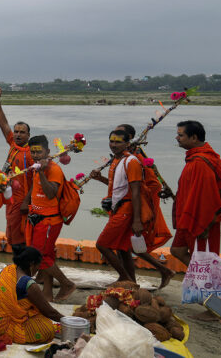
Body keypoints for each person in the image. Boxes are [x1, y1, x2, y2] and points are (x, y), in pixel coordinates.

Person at [116, 123, 175, 288]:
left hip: (134, 207)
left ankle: (131, 280)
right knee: (124, 246)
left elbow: (153, 184)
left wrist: (140, 208)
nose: (114, 140)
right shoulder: (123, 156)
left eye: (119, 136)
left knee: (124, 245)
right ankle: (131, 280)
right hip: (123, 205)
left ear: (128, 139)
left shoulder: (136, 158)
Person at [90, 129, 149, 284]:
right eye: (112, 141)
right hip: (118, 208)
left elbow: (135, 191)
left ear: (127, 144)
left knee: (102, 245)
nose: (114, 145)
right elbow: (117, 186)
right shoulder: (117, 160)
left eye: (118, 142)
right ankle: (132, 281)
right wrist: (100, 178)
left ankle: (124, 277)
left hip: (126, 210)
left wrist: (137, 220)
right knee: (122, 249)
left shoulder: (132, 162)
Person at [171, 120, 221, 265]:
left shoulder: (200, 162)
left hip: (201, 220)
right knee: (177, 250)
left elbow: (207, 198)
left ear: (194, 138)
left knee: (205, 259)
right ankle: (201, 277)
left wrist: (204, 224)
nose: (177, 138)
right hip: (188, 217)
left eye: (181, 135)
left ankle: (215, 281)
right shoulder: (194, 159)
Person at [22, 135, 76, 302]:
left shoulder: (54, 170)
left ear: (48, 152)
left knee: (41, 257)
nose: (36, 155)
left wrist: (40, 172)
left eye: (39, 152)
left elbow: (51, 193)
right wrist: (26, 200)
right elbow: (35, 186)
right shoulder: (38, 168)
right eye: (33, 152)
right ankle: (47, 294)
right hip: (36, 218)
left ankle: (66, 284)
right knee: (46, 256)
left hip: (49, 221)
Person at [0, 247, 61, 344]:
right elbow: (50, 312)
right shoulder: (29, 284)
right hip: (5, 323)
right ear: (31, 264)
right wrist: (67, 320)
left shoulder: (8, 269)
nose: (38, 271)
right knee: (46, 329)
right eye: (38, 267)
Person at [0, 86, 32, 254]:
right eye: (16, 132)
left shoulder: (31, 153)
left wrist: (26, 202)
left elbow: (37, 180)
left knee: (20, 239)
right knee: (12, 234)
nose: (17, 134)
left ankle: (23, 272)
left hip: (22, 201)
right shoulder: (13, 145)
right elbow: (4, 125)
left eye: (22, 132)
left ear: (29, 135)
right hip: (10, 199)